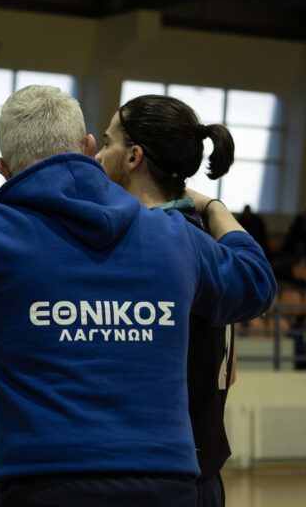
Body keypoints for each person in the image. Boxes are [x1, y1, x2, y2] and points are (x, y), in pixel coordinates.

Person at [0, 85, 276, 506]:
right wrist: (213, 207)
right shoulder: (175, 237)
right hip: (166, 484)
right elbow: (255, 282)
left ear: (3, 169)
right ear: (87, 148)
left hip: (43, 483)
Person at [93, 94, 239, 507]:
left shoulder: (143, 246)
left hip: (152, 476)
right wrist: (212, 206)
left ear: (134, 156)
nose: (99, 156)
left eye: (108, 143)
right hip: (203, 472)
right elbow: (230, 372)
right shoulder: (210, 243)